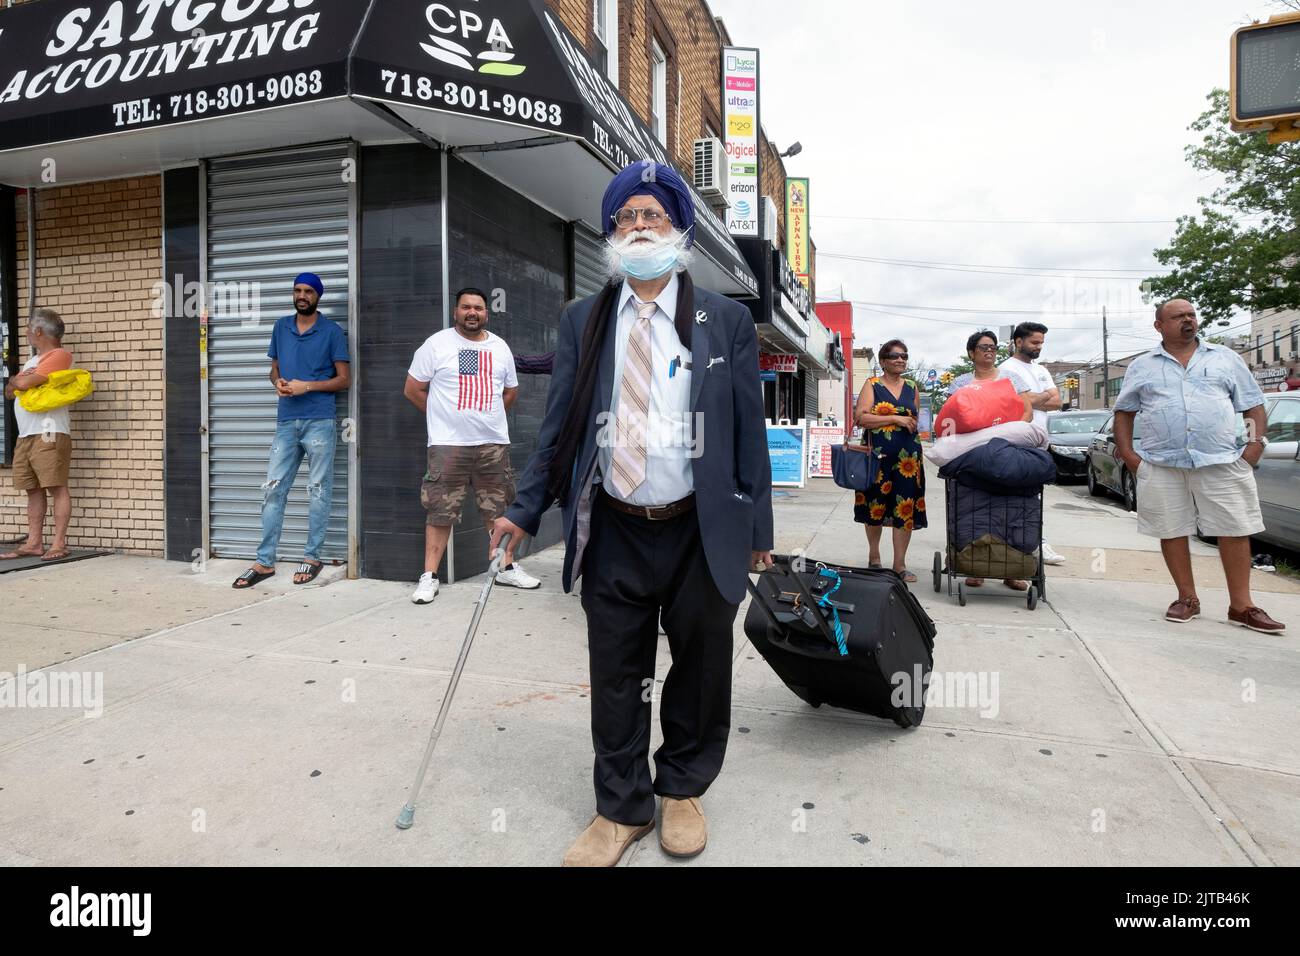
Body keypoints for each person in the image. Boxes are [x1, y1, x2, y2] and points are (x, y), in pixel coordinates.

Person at [489, 160, 773, 867]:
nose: (640, 226)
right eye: (626, 216)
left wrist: (757, 531)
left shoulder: (727, 320)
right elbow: (556, 426)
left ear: (680, 226)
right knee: (616, 669)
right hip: (614, 524)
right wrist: (524, 509)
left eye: (653, 213)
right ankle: (621, 807)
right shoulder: (585, 319)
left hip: (701, 527)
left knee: (702, 667)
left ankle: (681, 789)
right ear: (611, 232)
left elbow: (746, 431)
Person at [1113, 299, 1284, 633]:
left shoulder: (1225, 358)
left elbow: (1252, 406)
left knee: (1234, 528)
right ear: (1159, 325)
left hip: (1221, 461)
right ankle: (1186, 598)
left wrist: (1254, 447)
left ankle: (1242, 606)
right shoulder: (1142, 366)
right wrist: (1129, 455)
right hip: (1162, 463)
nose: (1188, 320)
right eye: (1178, 316)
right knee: (1171, 529)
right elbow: (1125, 412)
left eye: (1191, 315)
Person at [403, 287, 538, 603]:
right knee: (440, 511)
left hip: (492, 445)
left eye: (478, 307)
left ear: (486, 313)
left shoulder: (500, 347)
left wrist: (486, 417)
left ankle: (505, 567)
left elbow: (511, 392)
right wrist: (443, 415)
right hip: (448, 446)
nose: (472, 312)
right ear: (456, 312)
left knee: (499, 509)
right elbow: (412, 389)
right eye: (466, 307)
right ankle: (429, 577)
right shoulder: (436, 345)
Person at [232, 273, 350, 589]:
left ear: (318, 296)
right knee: (273, 489)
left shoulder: (332, 332)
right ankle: (264, 561)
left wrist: (306, 386)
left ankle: (312, 557)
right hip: (286, 421)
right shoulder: (280, 327)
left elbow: (344, 379)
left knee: (318, 489)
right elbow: (274, 369)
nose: (302, 295)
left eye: (308, 291)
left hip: (319, 421)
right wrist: (279, 384)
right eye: (297, 290)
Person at [951, 329, 1028, 591]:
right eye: (983, 347)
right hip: (973, 455)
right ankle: (976, 568)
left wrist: (1005, 433)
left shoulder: (1011, 377)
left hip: (1006, 452)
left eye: (993, 347)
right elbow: (954, 416)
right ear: (971, 353)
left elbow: (1025, 410)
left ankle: (1011, 570)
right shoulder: (960, 383)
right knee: (974, 509)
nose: (989, 351)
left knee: (1011, 509)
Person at [1, 309, 75, 562]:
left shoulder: (59, 355)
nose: (26, 333)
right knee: (32, 489)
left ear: (38, 331)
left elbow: (19, 386)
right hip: (26, 434)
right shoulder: (32, 361)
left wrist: (17, 380)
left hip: (48, 431)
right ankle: (34, 544)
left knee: (55, 486)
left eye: (28, 328)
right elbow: (10, 393)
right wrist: (19, 381)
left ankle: (59, 544)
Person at [853, 340, 927, 583]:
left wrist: (909, 423)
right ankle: (874, 557)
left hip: (908, 459)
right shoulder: (872, 384)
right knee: (875, 505)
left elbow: (914, 419)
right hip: (878, 457)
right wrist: (896, 418)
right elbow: (861, 418)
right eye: (895, 356)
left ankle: (899, 565)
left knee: (905, 507)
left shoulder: (912, 387)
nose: (900, 360)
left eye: (904, 356)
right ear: (883, 361)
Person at [998, 322, 1066, 566]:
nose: (1039, 347)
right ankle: (1033, 541)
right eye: (1035, 342)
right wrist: (1039, 397)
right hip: (1018, 439)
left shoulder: (1042, 370)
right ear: (1018, 342)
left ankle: (1032, 539)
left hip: (1040, 441)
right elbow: (1018, 403)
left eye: (1041, 343)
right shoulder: (1005, 369)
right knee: (1018, 493)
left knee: (1034, 493)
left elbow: (1057, 401)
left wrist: (1034, 399)